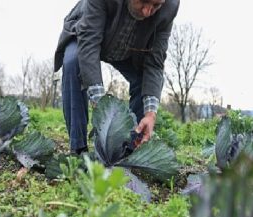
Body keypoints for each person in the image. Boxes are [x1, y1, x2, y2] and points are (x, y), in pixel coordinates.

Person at [54, 0, 180, 154]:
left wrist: (150, 113)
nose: (147, 11)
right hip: (88, 33)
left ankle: (127, 149)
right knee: (73, 61)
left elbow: (155, 61)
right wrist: (101, 107)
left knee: (148, 81)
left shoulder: (170, 7)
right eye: (144, 2)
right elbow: (89, 43)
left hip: (129, 47)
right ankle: (78, 148)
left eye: (155, 5)